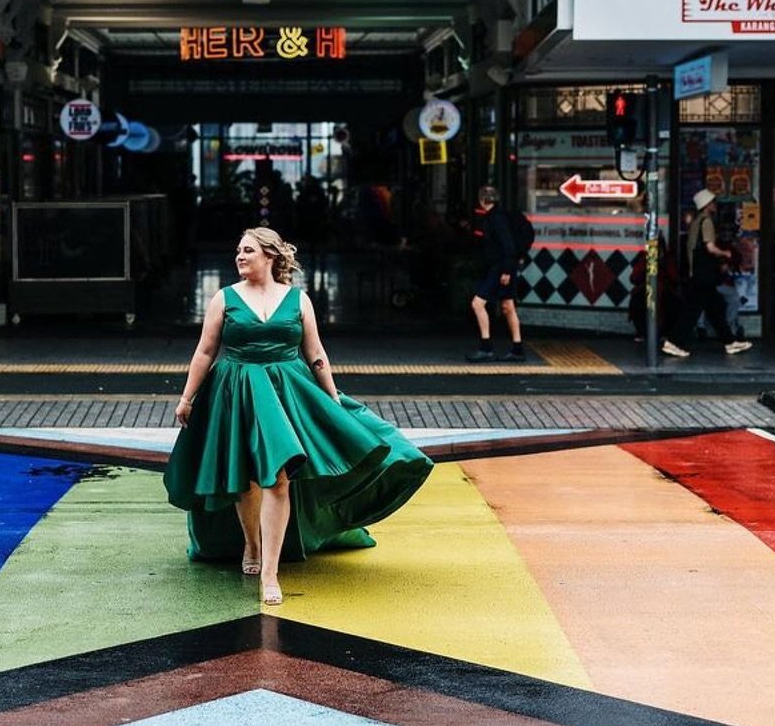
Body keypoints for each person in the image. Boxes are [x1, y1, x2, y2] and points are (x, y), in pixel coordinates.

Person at [163, 226, 433, 606]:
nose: (239, 257)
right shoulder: (223, 299)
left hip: (286, 391)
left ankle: (270, 573)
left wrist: (332, 401)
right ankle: (252, 546)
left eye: (248, 251)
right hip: (236, 391)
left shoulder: (299, 300)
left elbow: (317, 354)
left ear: (270, 257)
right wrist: (187, 397)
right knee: (245, 478)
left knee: (279, 479)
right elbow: (205, 352)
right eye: (238, 251)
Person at [662, 189, 752, 358]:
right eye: (712, 202)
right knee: (692, 311)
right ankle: (673, 342)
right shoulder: (707, 222)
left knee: (715, 308)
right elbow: (710, 247)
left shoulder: (697, 221)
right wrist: (725, 254)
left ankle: (730, 342)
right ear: (707, 205)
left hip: (698, 274)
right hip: (703, 275)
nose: (714, 204)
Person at [466, 185, 525, 362]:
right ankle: (517, 348)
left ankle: (486, 346)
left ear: (482, 200)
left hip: (499, 269)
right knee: (508, 307)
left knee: (477, 303)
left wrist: (506, 270)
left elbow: (507, 245)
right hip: (506, 267)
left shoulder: (495, 219)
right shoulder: (501, 216)